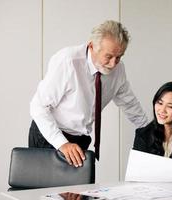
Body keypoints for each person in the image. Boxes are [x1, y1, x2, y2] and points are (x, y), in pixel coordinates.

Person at [29, 20, 148, 168]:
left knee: (76, 191)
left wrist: (152, 132)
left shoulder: (118, 69)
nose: (113, 64)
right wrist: (62, 144)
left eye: (119, 57)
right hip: (50, 136)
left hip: (80, 139)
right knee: (45, 190)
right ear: (91, 46)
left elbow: (130, 104)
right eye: (109, 56)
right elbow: (38, 107)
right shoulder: (68, 61)